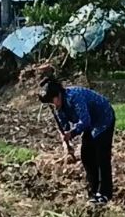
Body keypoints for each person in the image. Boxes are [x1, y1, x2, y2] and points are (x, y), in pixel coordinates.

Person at [39, 75, 116, 204]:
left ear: (58, 95)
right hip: (91, 124)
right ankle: (94, 190)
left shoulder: (74, 97)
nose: (52, 106)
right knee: (86, 155)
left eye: (52, 101)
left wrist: (72, 133)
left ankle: (105, 193)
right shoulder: (58, 107)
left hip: (103, 119)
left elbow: (85, 121)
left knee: (101, 156)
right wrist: (65, 138)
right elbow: (64, 126)